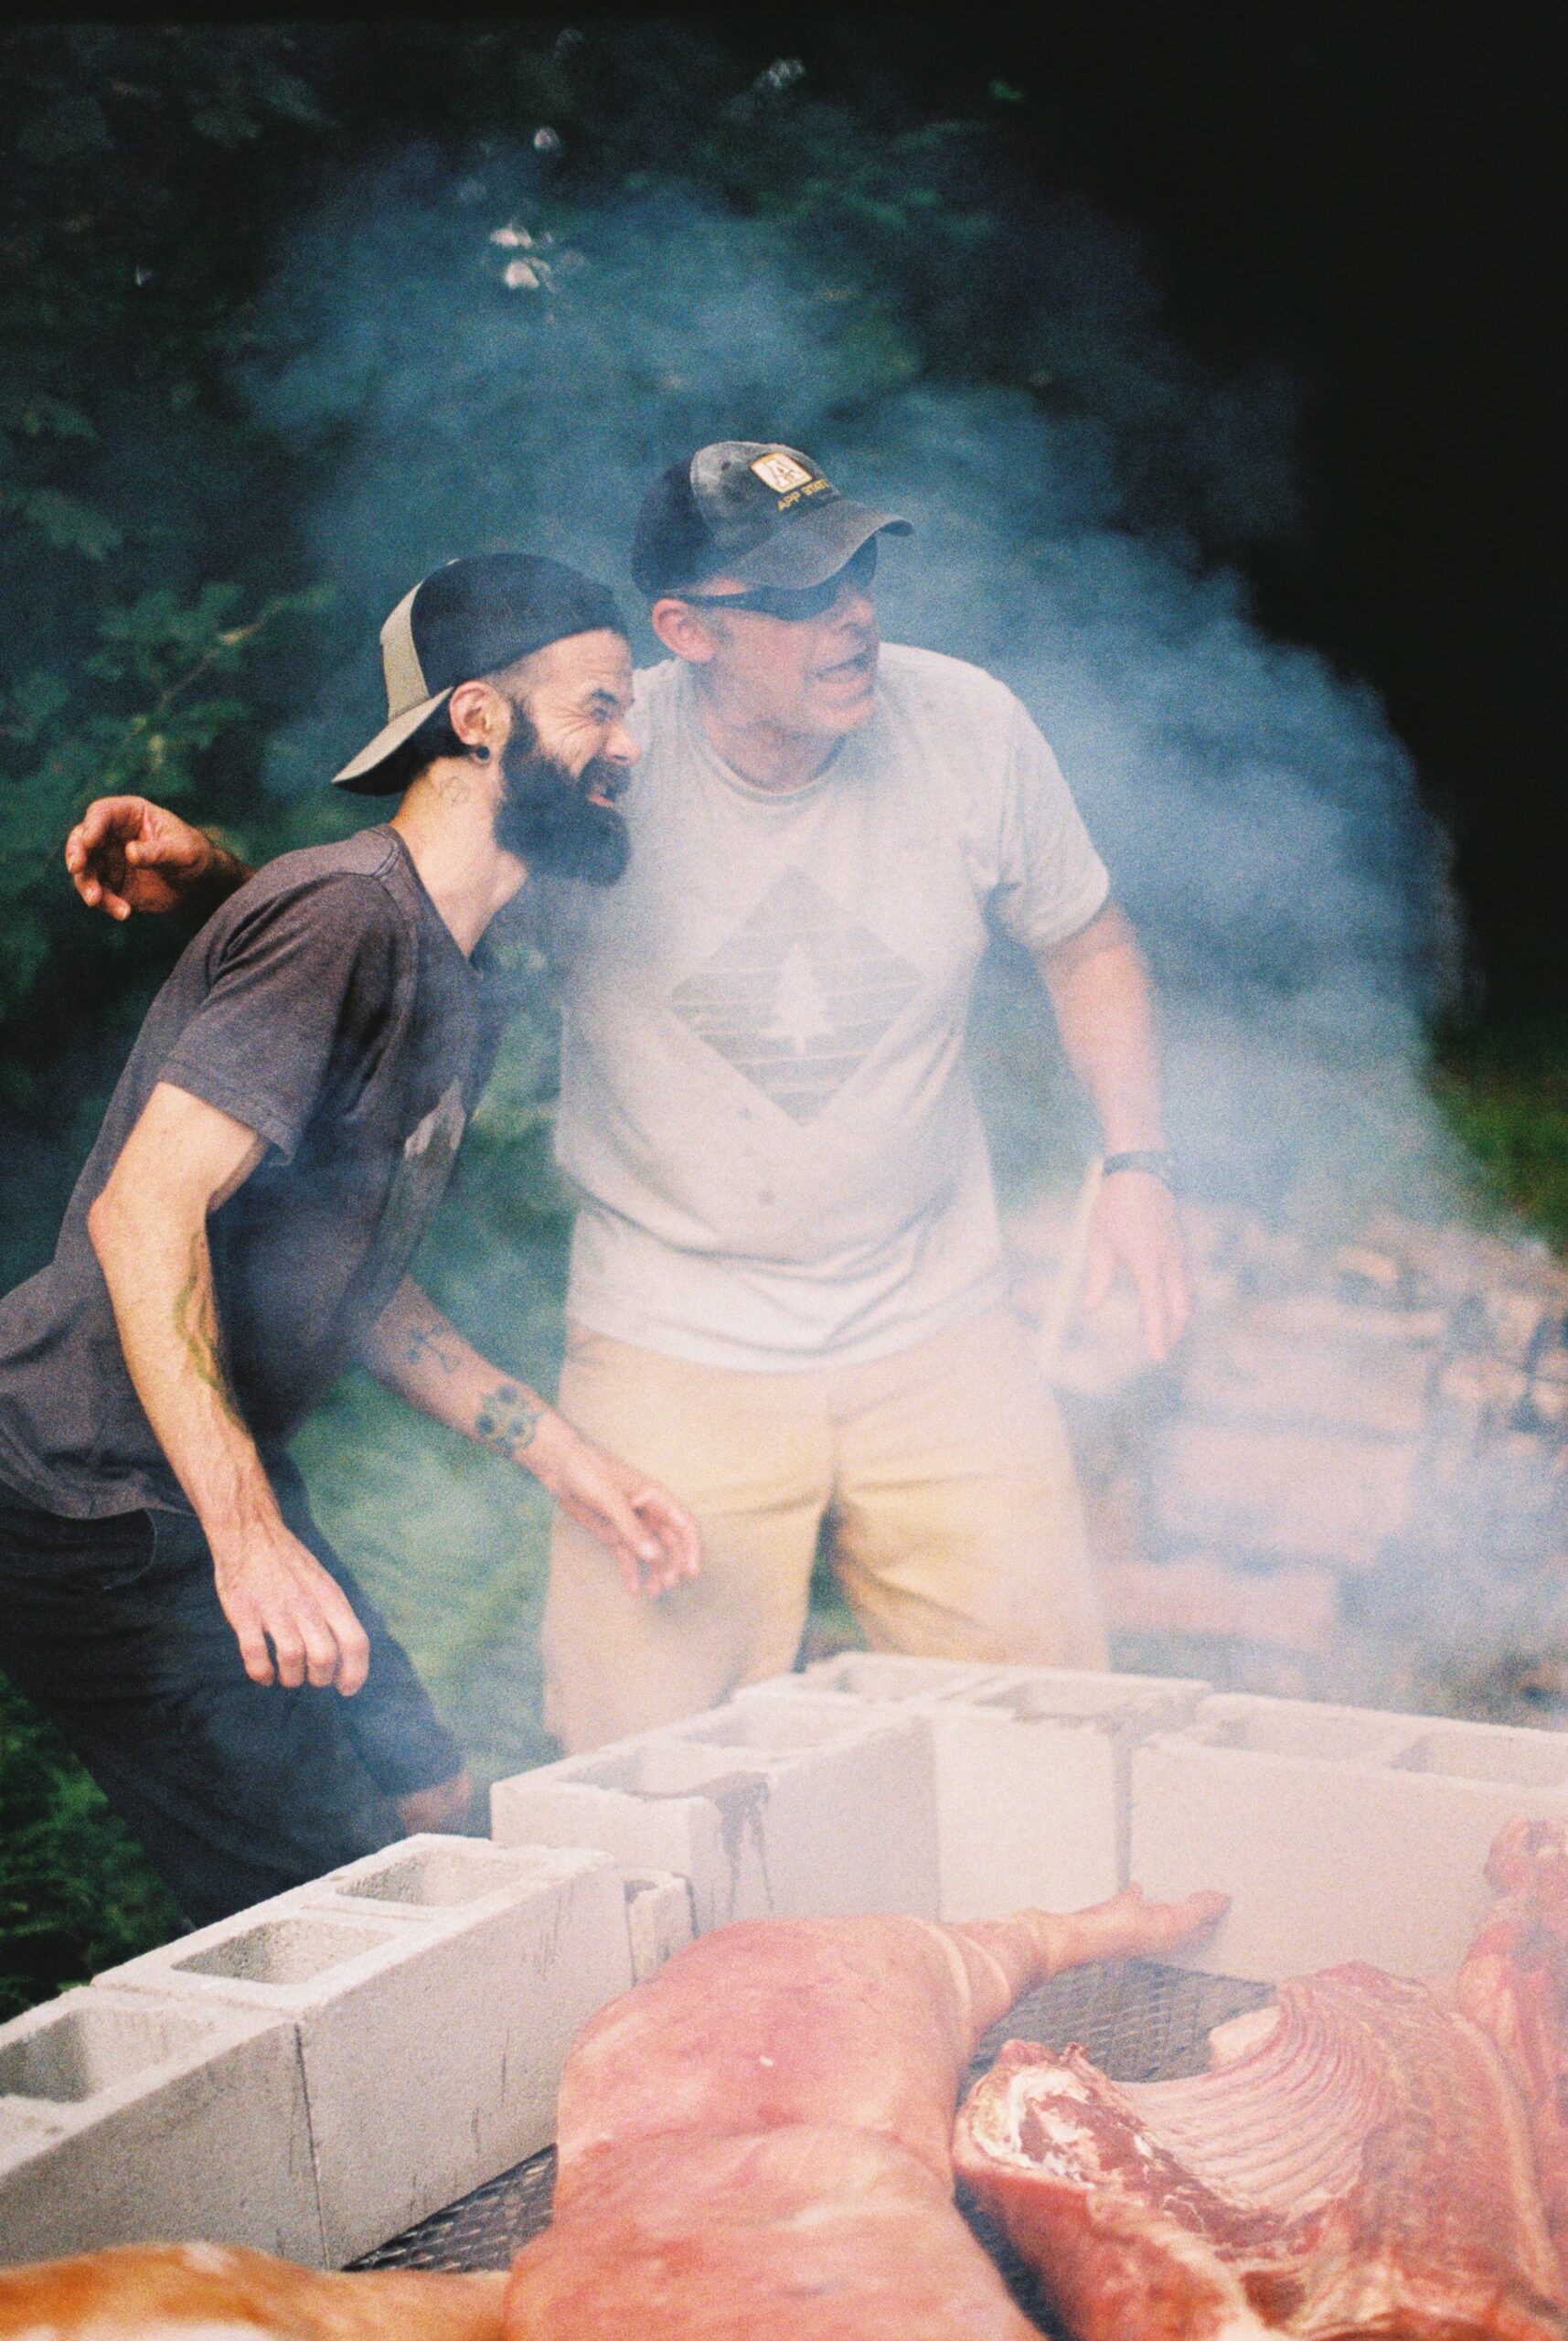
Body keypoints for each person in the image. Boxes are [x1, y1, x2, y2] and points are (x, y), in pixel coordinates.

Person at [67, 443, 1187, 1756]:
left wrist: (1138, 1164)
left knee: (1052, 1738)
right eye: (801, 593)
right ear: (687, 629)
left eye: (861, 573)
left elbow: (1088, 941)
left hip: (941, 1321)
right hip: (672, 1337)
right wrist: (220, 884)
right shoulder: (593, 754)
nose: (853, 615)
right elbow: (402, 909)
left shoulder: (970, 728)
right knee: (634, 1774)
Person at [1, 551, 698, 1922]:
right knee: (353, 1913)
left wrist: (564, 1459)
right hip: (87, 1501)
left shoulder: (441, 963)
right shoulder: (347, 920)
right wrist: (248, 1538)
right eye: (601, 708)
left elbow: (354, 1280)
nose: (629, 746)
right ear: (479, 719)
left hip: (192, 1475)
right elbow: (144, 1211)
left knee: (434, 1797)